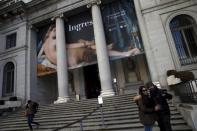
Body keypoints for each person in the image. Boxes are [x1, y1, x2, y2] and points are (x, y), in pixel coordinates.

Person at [37, 25, 140, 69]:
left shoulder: (44, 45)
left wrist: (47, 59)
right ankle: (124, 53)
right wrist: (86, 44)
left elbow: (40, 56)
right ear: (49, 32)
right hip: (71, 59)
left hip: (68, 59)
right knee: (96, 49)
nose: (58, 31)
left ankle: (103, 47)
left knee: (93, 48)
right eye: (55, 30)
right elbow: (69, 45)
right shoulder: (55, 41)